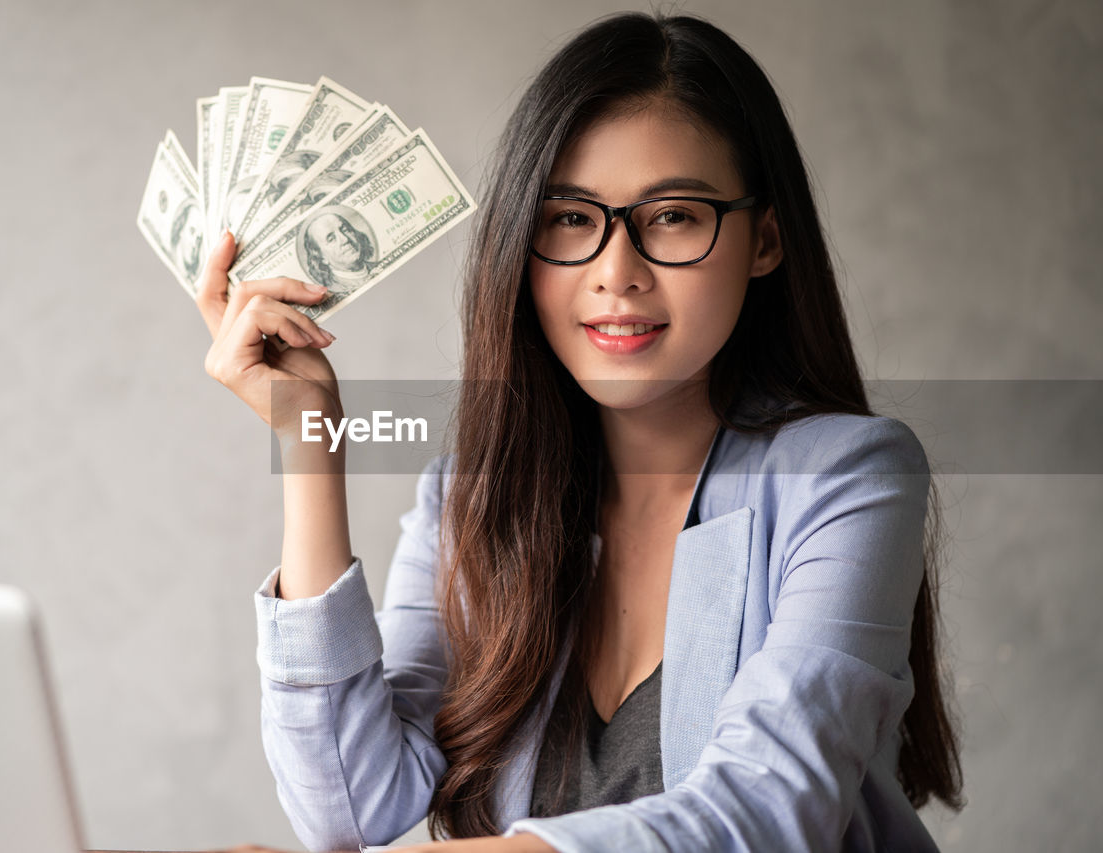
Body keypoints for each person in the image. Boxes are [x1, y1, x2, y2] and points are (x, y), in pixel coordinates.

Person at [195, 11, 964, 852]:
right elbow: (348, 808)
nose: (615, 272)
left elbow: (767, 813)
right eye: (569, 218)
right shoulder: (468, 502)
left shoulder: (851, 476)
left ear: (764, 240)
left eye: (673, 215)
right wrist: (310, 443)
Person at [299, 207, 379, 293]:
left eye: (345, 230)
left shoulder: (378, 266)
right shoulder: (331, 289)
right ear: (322, 257)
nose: (345, 239)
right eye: (331, 239)